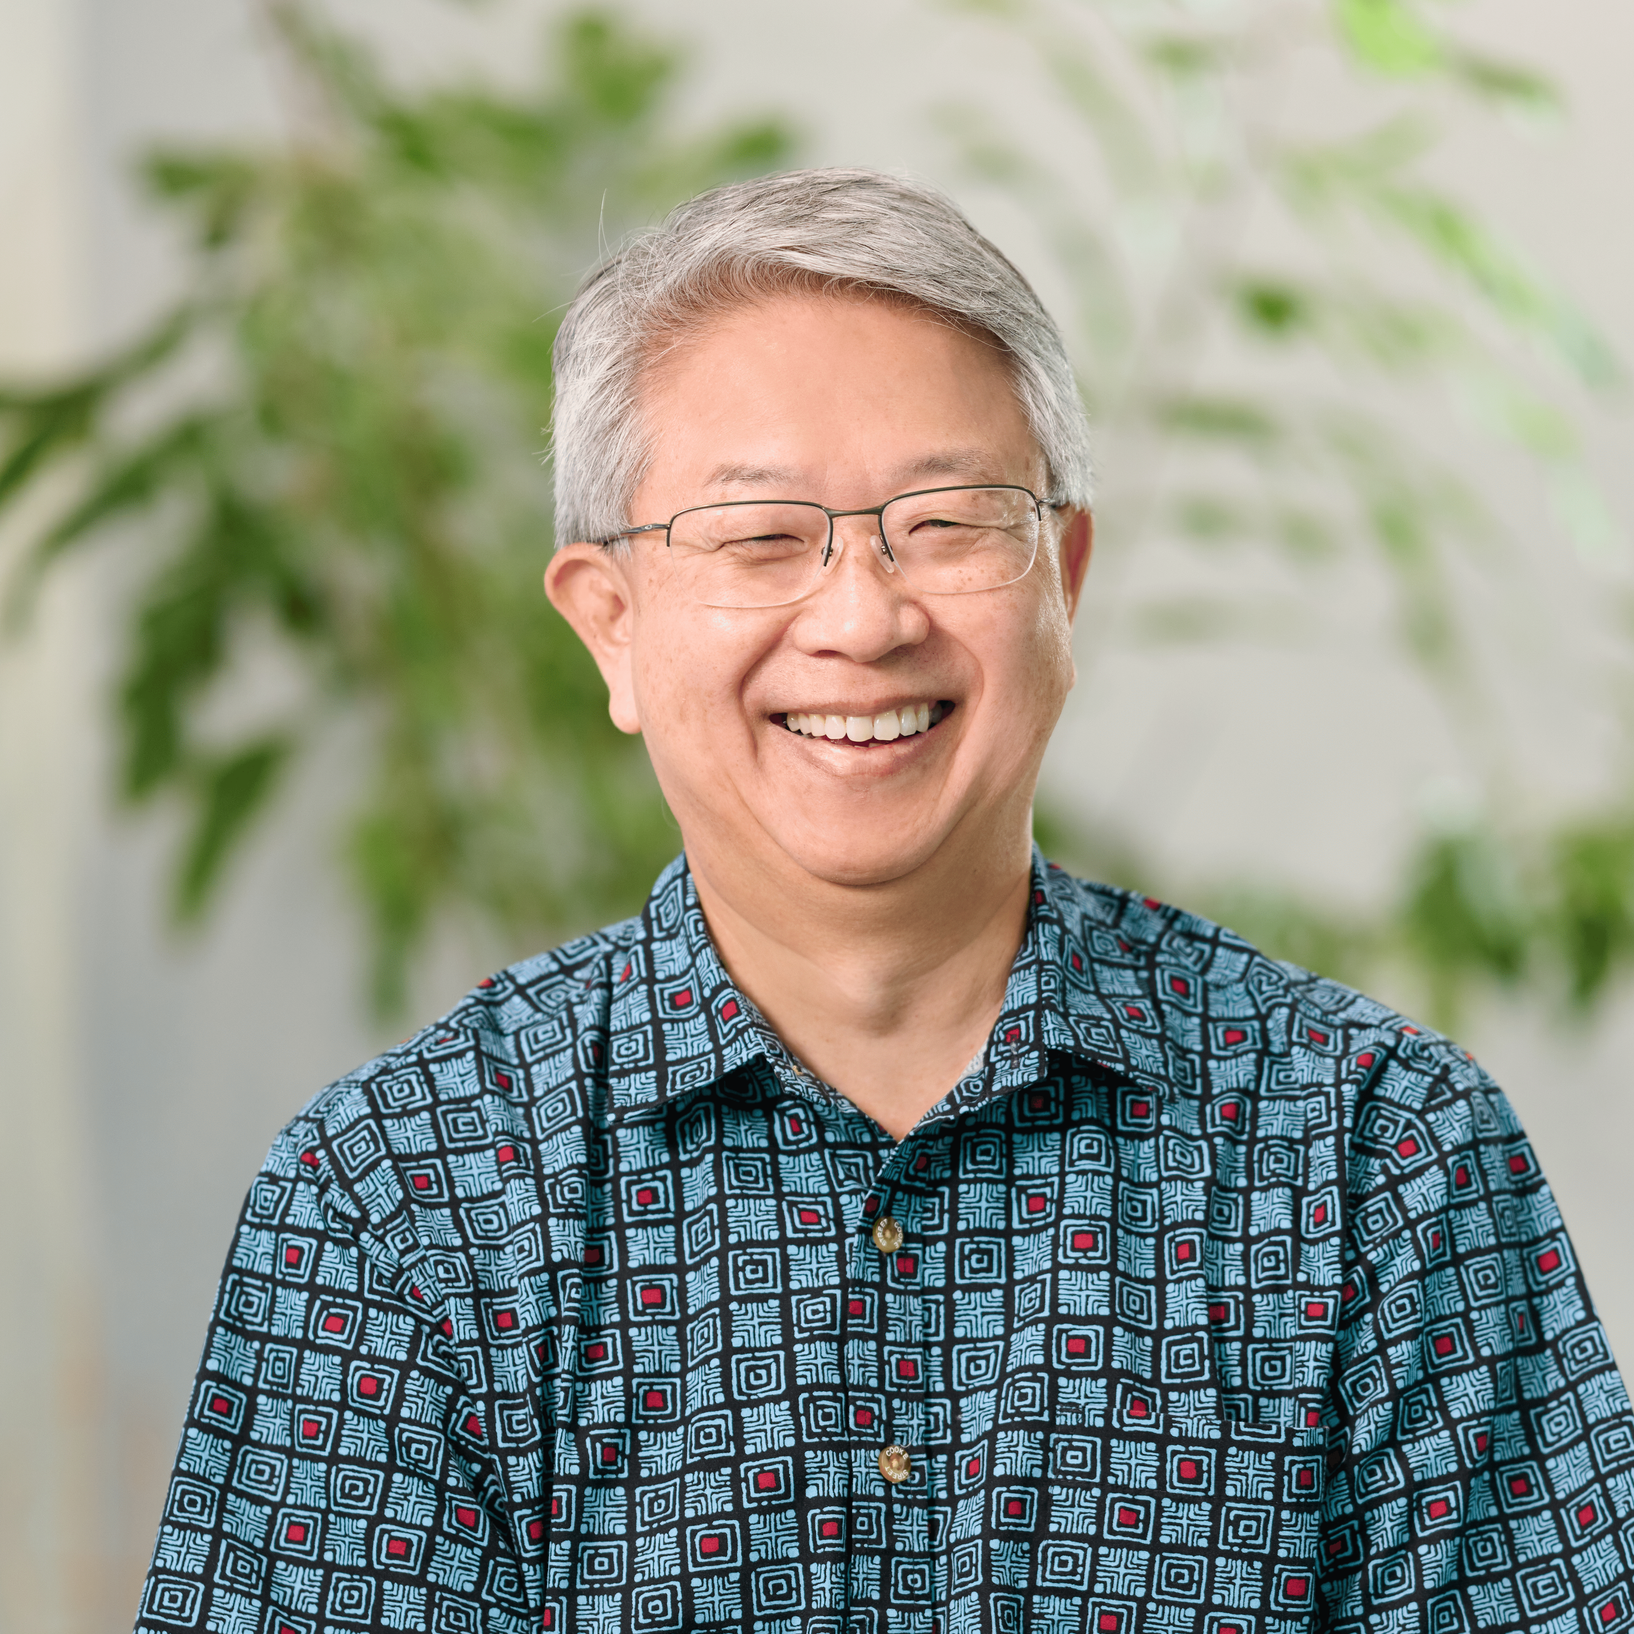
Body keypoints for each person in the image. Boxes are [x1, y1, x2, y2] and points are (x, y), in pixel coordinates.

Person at [135, 167, 1634, 1634]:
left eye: (947, 519)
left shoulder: (1378, 1155)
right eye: (759, 535)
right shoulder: (402, 1201)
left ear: (1065, 575)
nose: (862, 617)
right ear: (609, 623)